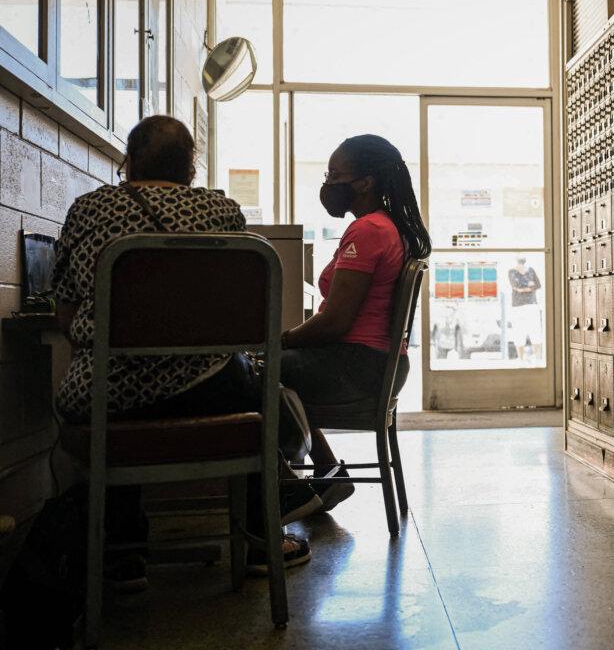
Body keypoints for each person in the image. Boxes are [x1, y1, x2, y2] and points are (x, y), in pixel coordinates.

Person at [51, 115, 316, 586]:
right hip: (209, 390)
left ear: (128, 162)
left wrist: (127, 357)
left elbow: (66, 314)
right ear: (191, 169)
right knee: (253, 383)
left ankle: (120, 555)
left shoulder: (88, 209)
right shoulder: (222, 211)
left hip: (105, 393)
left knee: (110, 399)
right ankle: (260, 539)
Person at [280, 134, 431, 513]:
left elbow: (335, 323)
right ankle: (327, 472)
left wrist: (281, 340)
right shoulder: (386, 227)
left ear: (364, 182)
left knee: (254, 375)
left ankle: (285, 492)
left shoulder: (368, 230)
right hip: (378, 364)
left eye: (335, 175)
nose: (328, 185)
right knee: (268, 371)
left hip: (358, 365)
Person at [508, 257, 543, 363]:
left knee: (535, 331)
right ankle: (522, 359)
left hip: (530, 305)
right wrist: (529, 285)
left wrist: (525, 288)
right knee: (520, 332)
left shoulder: (530, 270)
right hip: (519, 306)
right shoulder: (512, 271)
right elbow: (516, 286)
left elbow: (538, 284)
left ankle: (537, 358)